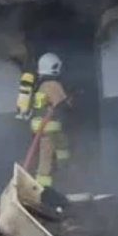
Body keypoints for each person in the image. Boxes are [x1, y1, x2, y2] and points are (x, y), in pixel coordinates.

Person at [27, 52, 71, 187]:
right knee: (49, 159)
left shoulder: (40, 85)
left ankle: (61, 171)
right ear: (54, 67)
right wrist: (71, 100)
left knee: (52, 152)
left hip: (41, 127)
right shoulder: (52, 84)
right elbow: (62, 105)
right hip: (49, 128)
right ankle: (45, 187)